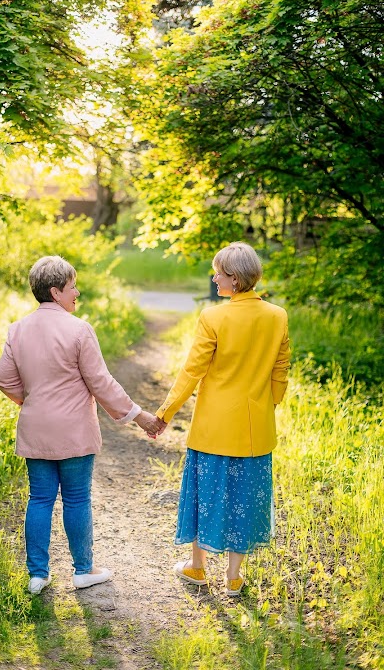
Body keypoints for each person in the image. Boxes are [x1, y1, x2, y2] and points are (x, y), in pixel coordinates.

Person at [0, 255, 161, 594]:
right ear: (55, 292)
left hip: (36, 428)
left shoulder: (18, 329)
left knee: (39, 499)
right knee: (76, 498)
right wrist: (139, 416)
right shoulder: (78, 329)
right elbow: (101, 382)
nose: (77, 292)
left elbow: (2, 378)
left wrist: (28, 401)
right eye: (72, 287)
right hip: (73, 432)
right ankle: (83, 570)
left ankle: (37, 575)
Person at [155, 241, 290, 596]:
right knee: (243, 498)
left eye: (218, 272)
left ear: (234, 277)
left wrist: (165, 412)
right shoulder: (277, 316)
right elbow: (280, 371)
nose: (214, 278)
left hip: (213, 429)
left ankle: (197, 568)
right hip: (254, 430)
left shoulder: (213, 317)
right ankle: (233, 576)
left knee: (206, 496)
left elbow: (192, 371)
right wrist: (267, 404)